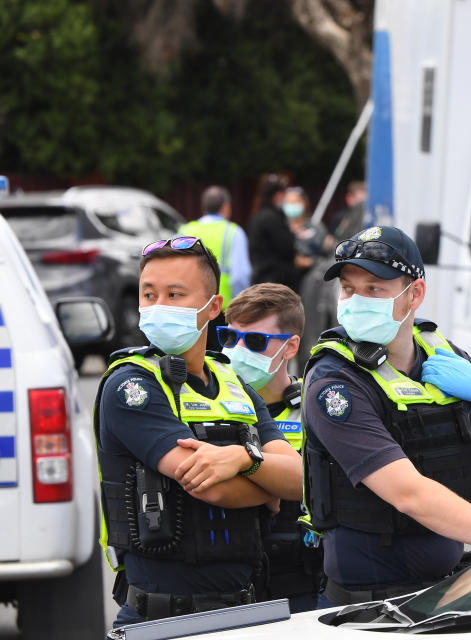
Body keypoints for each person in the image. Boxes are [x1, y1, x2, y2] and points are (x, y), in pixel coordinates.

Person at [301, 225, 471, 608]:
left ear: (415, 295)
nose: (356, 300)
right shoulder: (335, 381)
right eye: (348, 288)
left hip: (446, 592)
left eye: (374, 288)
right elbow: (409, 495)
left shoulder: (446, 357)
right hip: (369, 606)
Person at [94, 236, 303, 629]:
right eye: (149, 294)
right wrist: (268, 486)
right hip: (161, 617)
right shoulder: (132, 385)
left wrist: (243, 458)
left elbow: (300, 479)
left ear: (213, 307)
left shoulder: (234, 382)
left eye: (175, 294)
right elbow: (207, 484)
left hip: (245, 610)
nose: (158, 307)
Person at [220, 283, 322, 613]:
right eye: (229, 337)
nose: (236, 350)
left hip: (300, 583)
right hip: (227, 582)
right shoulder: (206, 404)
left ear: (291, 347)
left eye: (254, 341)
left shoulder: (318, 406)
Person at [179, 185, 252, 351]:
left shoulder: (185, 230)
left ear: (204, 207)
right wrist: (242, 308)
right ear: (225, 207)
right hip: (222, 309)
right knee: (220, 361)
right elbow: (240, 276)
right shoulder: (233, 232)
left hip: (189, 309)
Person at [249, 174, 312, 290]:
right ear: (278, 195)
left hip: (261, 279)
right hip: (277, 282)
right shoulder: (274, 218)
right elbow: (287, 247)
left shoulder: (257, 217)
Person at [322, 181, 367, 253]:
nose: (361, 207)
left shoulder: (369, 218)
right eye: (360, 203)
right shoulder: (341, 217)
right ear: (349, 198)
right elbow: (334, 237)